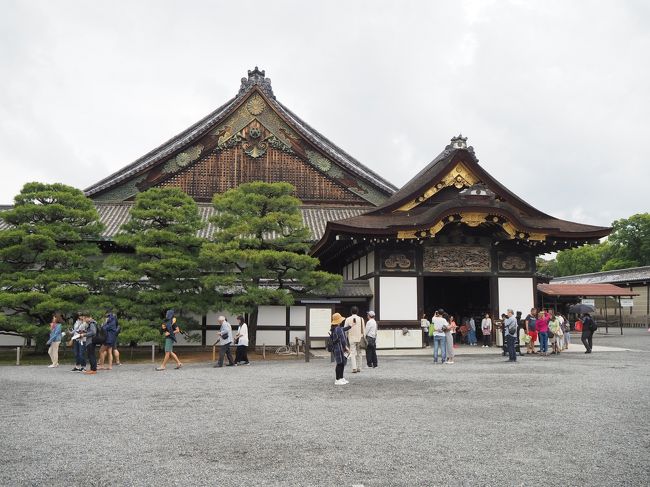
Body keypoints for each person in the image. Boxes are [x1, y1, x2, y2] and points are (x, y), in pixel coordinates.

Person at [344, 306, 365, 374]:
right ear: (357, 311)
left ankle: (354, 368)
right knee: (359, 352)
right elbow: (363, 329)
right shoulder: (361, 319)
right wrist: (363, 337)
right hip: (359, 338)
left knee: (352, 352)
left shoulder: (348, 319)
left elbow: (345, 329)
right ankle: (359, 367)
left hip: (351, 338)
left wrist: (346, 337)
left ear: (351, 311)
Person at [330, 313, 350, 385]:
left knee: (340, 363)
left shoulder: (334, 328)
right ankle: (338, 379)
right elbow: (343, 339)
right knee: (340, 364)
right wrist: (346, 347)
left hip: (336, 348)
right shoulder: (338, 329)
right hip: (340, 348)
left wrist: (350, 326)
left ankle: (340, 378)